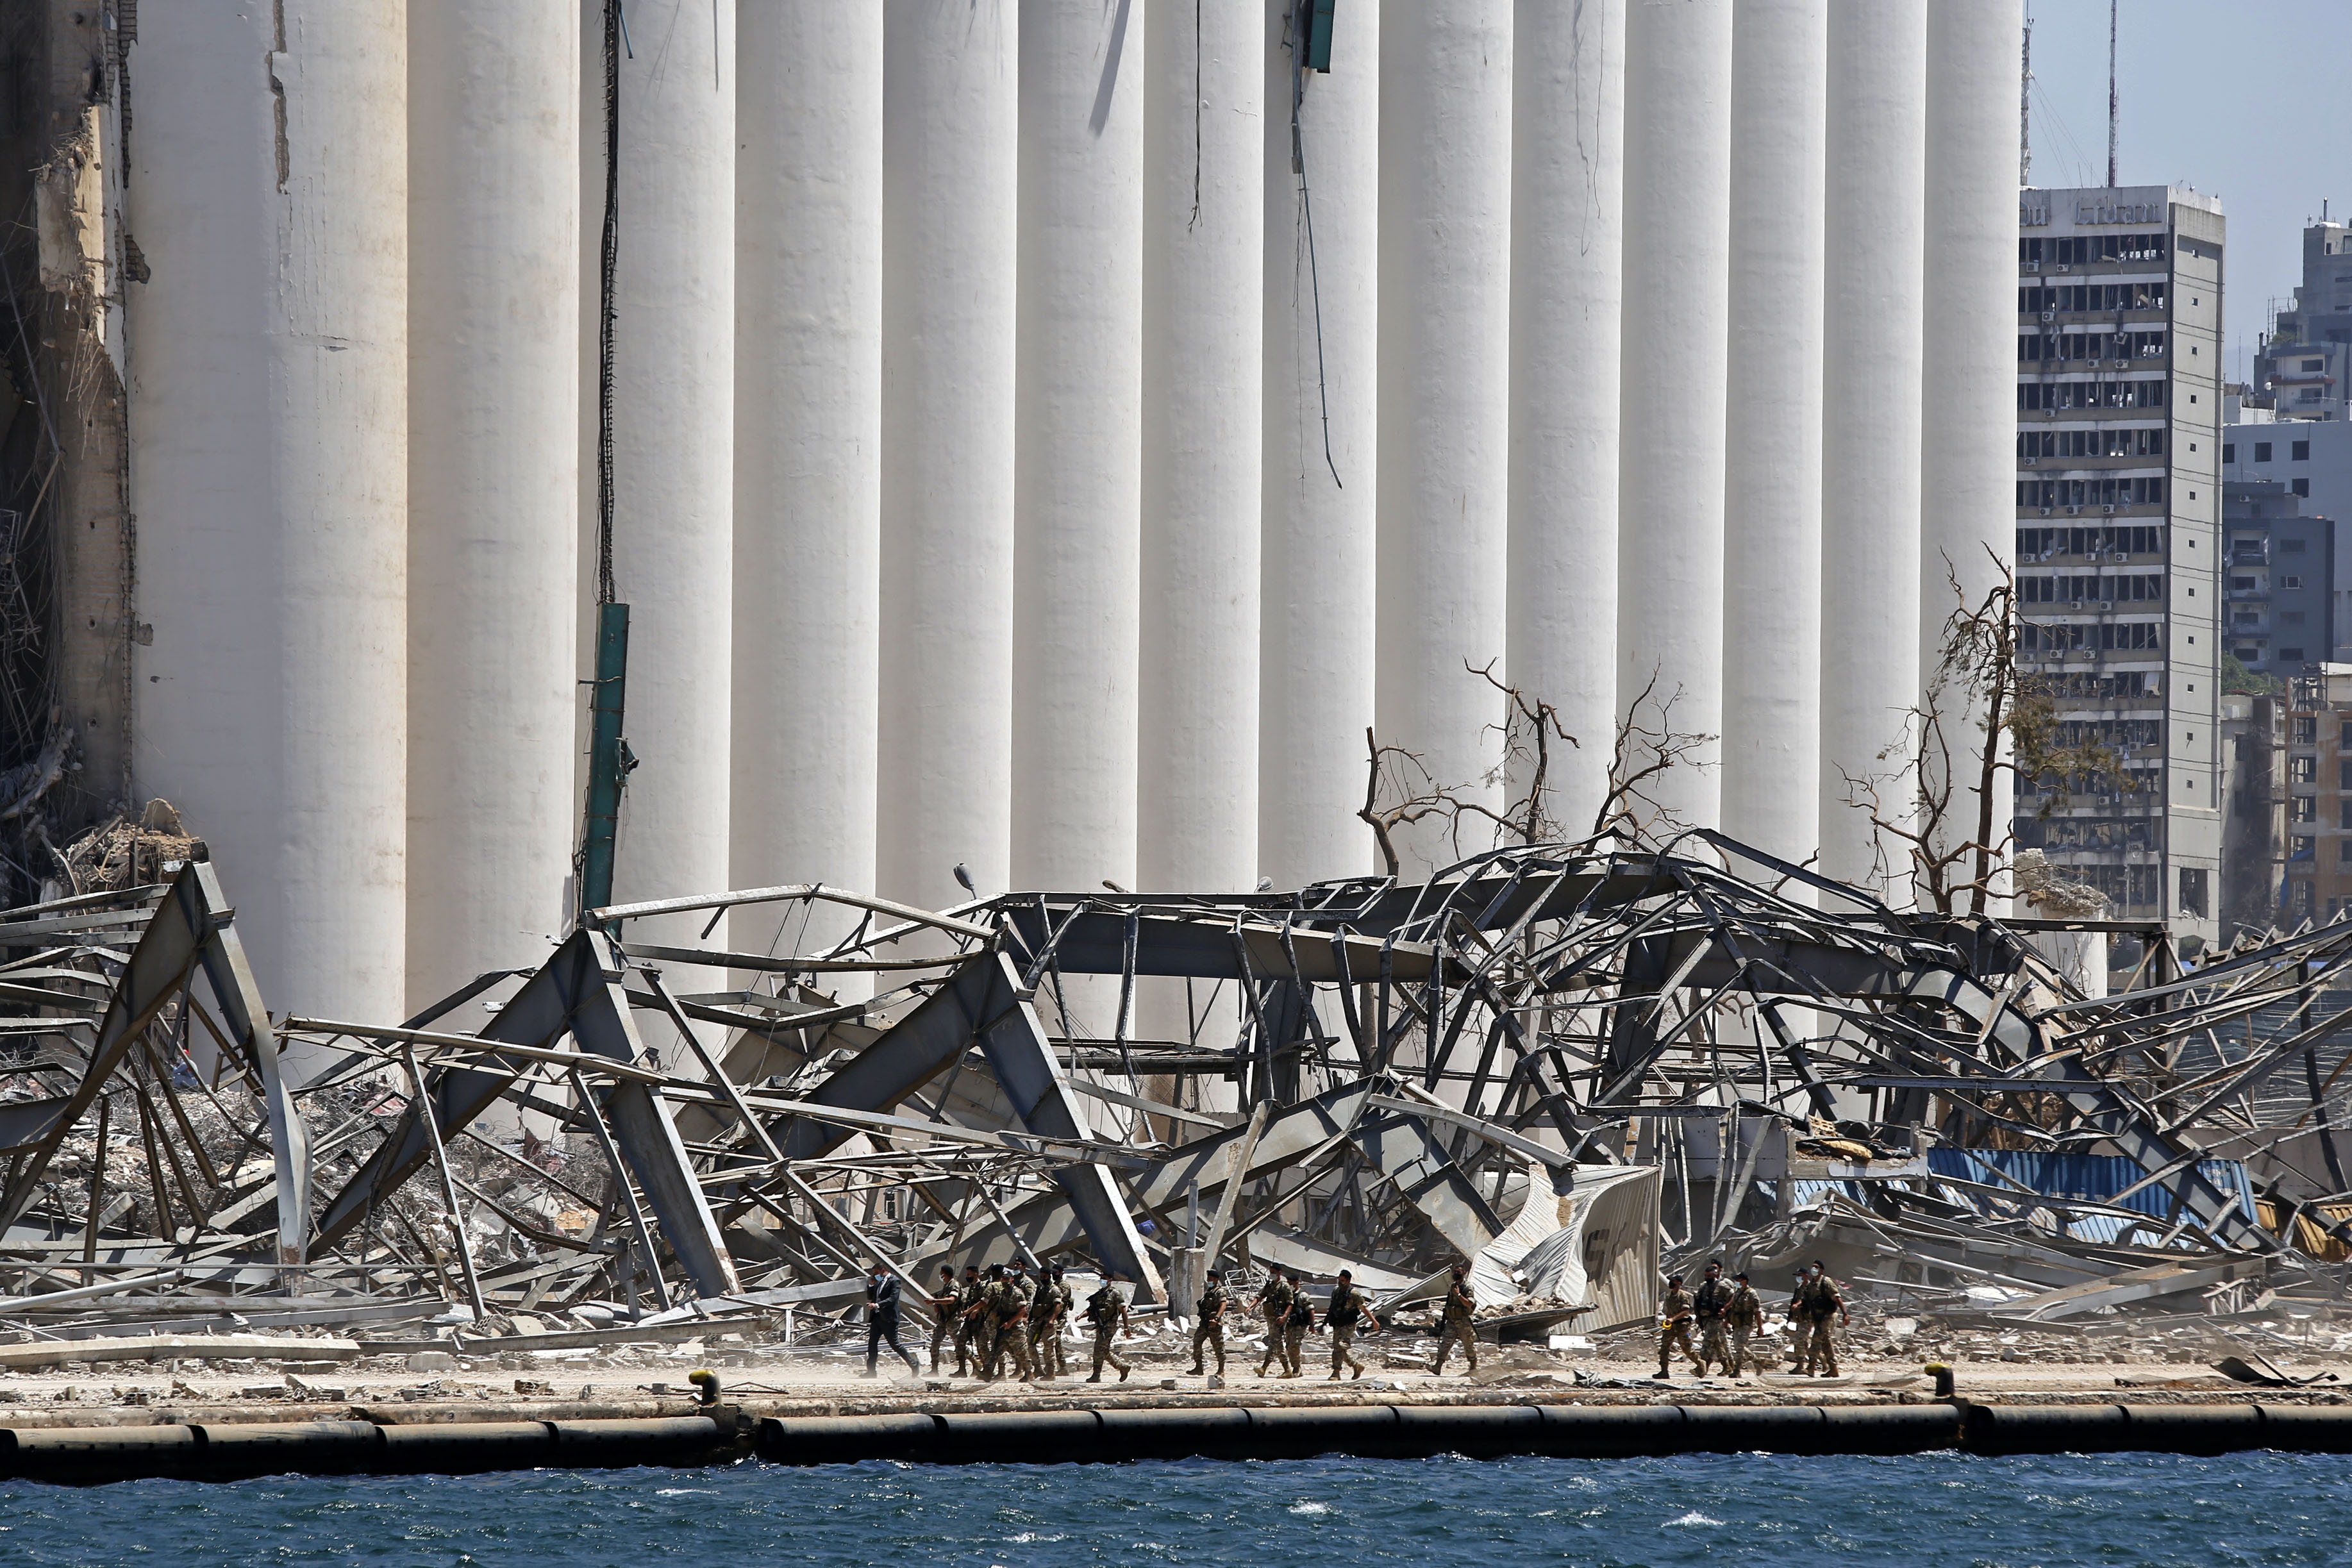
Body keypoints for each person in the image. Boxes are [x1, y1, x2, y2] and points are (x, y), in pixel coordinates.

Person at [862, 1263, 921, 1380]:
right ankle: (871, 1371)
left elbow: (893, 1298)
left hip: (889, 1318)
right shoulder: (879, 1281)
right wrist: (871, 1285)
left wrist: (877, 1305)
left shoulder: (895, 1281)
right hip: (877, 1317)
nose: (875, 1275)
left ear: (883, 1270)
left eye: (876, 1273)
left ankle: (914, 1364)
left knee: (895, 1344)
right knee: (872, 1344)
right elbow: (871, 1296)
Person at [1791, 1260, 1848, 1377]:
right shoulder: (1812, 1284)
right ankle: (1833, 1368)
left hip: (1827, 1316)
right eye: (1812, 1267)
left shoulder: (1826, 1282)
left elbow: (1837, 1298)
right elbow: (1807, 1299)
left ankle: (1811, 1367)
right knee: (1826, 1342)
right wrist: (1798, 1305)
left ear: (1821, 1270)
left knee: (1816, 1340)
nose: (1814, 1269)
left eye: (1816, 1267)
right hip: (1817, 1316)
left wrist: (1845, 1314)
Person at [1324, 1268, 1381, 1381]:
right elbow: (1333, 1306)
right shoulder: (1336, 1291)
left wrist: (1374, 1321)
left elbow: (1364, 1308)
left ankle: (1336, 1372)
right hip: (1338, 1323)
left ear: (1349, 1281)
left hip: (1348, 1325)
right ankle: (1356, 1366)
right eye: (1339, 1280)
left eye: (1343, 1281)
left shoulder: (1354, 1294)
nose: (1341, 1283)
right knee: (1338, 1348)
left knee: (1340, 1346)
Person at [1084, 1270, 1135, 1383]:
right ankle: (1123, 1367)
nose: (1102, 1280)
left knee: (1098, 1350)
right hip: (1100, 1326)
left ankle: (1096, 1375)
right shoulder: (1099, 1295)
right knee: (1104, 1351)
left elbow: (1123, 1311)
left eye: (1105, 1278)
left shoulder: (1115, 1294)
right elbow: (1092, 1309)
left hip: (1110, 1326)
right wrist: (1081, 1315)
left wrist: (1127, 1328)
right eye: (1101, 1278)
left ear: (1110, 1280)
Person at [1432, 1261, 1479, 1376]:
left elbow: (1469, 1304)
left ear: (1464, 1273)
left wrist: (1458, 1295)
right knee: (1445, 1344)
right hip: (1452, 1321)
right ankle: (1437, 1366)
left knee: (1468, 1345)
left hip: (1463, 1321)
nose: (1456, 1274)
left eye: (1458, 1272)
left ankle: (1473, 1367)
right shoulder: (1454, 1286)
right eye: (1455, 1272)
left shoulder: (1467, 1287)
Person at [1253, 1265, 1299, 1377]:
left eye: (1274, 1272)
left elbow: (1290, 1303)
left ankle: (1264, 1368)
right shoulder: (1269, 1286)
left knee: (1274, 1342)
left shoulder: (1284, 1286)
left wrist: (1284, 1316)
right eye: (1271, 1272)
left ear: (1279, 1273)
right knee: (1277, 1344)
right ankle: (1287, 1370)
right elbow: (1259, 1296)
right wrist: (1250, 1306)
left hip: (1279, 1319)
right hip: (1270, 1318)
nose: (1272, 1274)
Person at [1691, 1260, 1735, 1377]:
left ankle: (1700, 1368)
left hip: (1715, 1319)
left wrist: (1725, 1309)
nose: (1707, 1278)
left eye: (1710, 1276)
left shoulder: (1722, 1285)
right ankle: (1727, 1367)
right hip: (1705, 1318)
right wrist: (1698, 1317)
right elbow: (1698, 1301)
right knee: (1718, 1343)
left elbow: (1733, 1296)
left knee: (1706, 1344)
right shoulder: (1703, 1286)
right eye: (1706, 1276)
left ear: (1716, 1275)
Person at [1030, 1264, 1072, 1381]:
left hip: (1053, 1320)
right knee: (1030, 1343)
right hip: (1039, 1322)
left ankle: (1053, 1370)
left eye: (1045, 1276)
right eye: (1041, 1277)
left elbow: (1059, 1304)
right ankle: (1038, 1368)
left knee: (1050, 1346)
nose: (1043, 1279)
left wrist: (1053, 1319)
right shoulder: (1041, 1289)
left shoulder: (1058, 1288)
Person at [1656, 1275, 1702, 1379]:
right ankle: (1664, 1371)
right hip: (1671, 1326)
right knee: (1664, 1348)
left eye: (1673, 1281)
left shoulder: (1683, 1296)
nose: (1671, 1283)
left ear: (1679, 1283)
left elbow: (1686, 1311)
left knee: (1687, 1349)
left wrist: (1673, 1319)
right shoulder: (1669, 1296)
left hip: (1682, 1326)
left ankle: (1700, 1364)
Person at [1725, 1270, 1767, 1380]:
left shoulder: (1752, 1294)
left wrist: (1760, 1328)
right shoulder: (1738, 1292)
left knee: (1739, 1347)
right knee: (1739, 1346)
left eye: (1739, 1280)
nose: (1737, 1282)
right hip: (1737, 1323)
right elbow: (1732, 1307)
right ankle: (1757, 1361)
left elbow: (1757, 1311)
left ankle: (1737, 1370)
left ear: (1745, 1281)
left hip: (1746, 1324)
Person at [1189, 1269, 1230, 1376]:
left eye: (1211, 1279)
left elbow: (1223, 1305)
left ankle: (1221, 1370)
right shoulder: (1209, 1292)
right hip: (1205, 1323)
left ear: (1216, 1279)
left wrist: (1216, 1319)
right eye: (1208, 1279)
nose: (1209, 1281)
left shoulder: (1220, 1292)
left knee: (1218, 1346)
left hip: (1214, 1324)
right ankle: (1198, 1367)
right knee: (1197, 1341)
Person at [928, 1265, 962, 1375]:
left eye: (941, 1273)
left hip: (953, 1319)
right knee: (935, 1343)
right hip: (943, 1319)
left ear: (945, 1274)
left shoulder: (954, 1285)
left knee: (959, 1344)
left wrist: (935, 1301)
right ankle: (934, 1370)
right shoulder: (946, 1286)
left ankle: (964, 1368)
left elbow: (952, 1300)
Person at [1280, 1279, 1315, 1378]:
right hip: (1290, 1325)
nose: (1289, 1285)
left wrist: (1312, 1325)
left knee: (1294, 1346)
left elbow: (1311, 1310)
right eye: (1288, 1283)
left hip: (1300, 1325)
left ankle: (1296, 1368)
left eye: (1291, 1283)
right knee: (1289, 1346)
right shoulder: (1288, 1295)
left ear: (1297, 1283)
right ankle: (1298, 1367)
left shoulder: (1303, 1296)